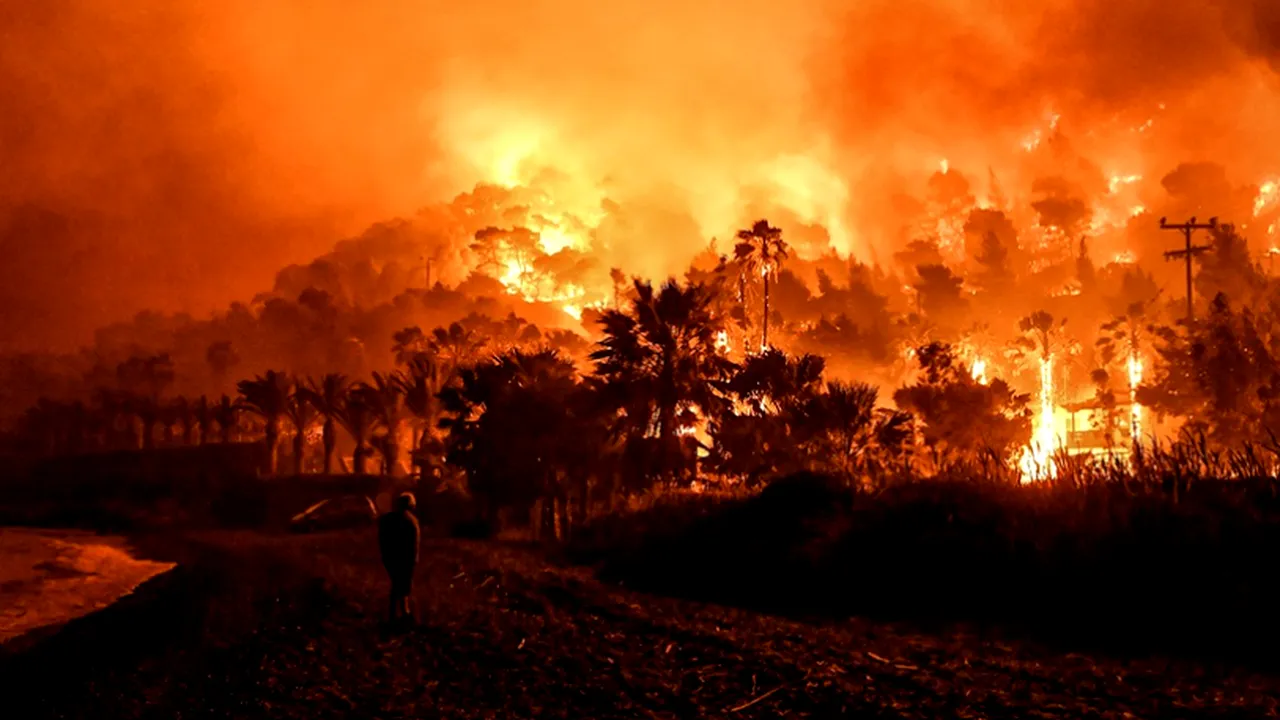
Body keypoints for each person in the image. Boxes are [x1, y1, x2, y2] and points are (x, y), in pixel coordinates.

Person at [378, 492, 421, 627]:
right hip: (405, 559)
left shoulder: (387, 520)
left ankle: (397, 614)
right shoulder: (411, 521)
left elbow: (382, 539)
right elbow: (413, 544)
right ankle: (402, 613)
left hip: (390, 558)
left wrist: (386, 556)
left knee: (397, 584)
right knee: (403, 586)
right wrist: (413, 560)